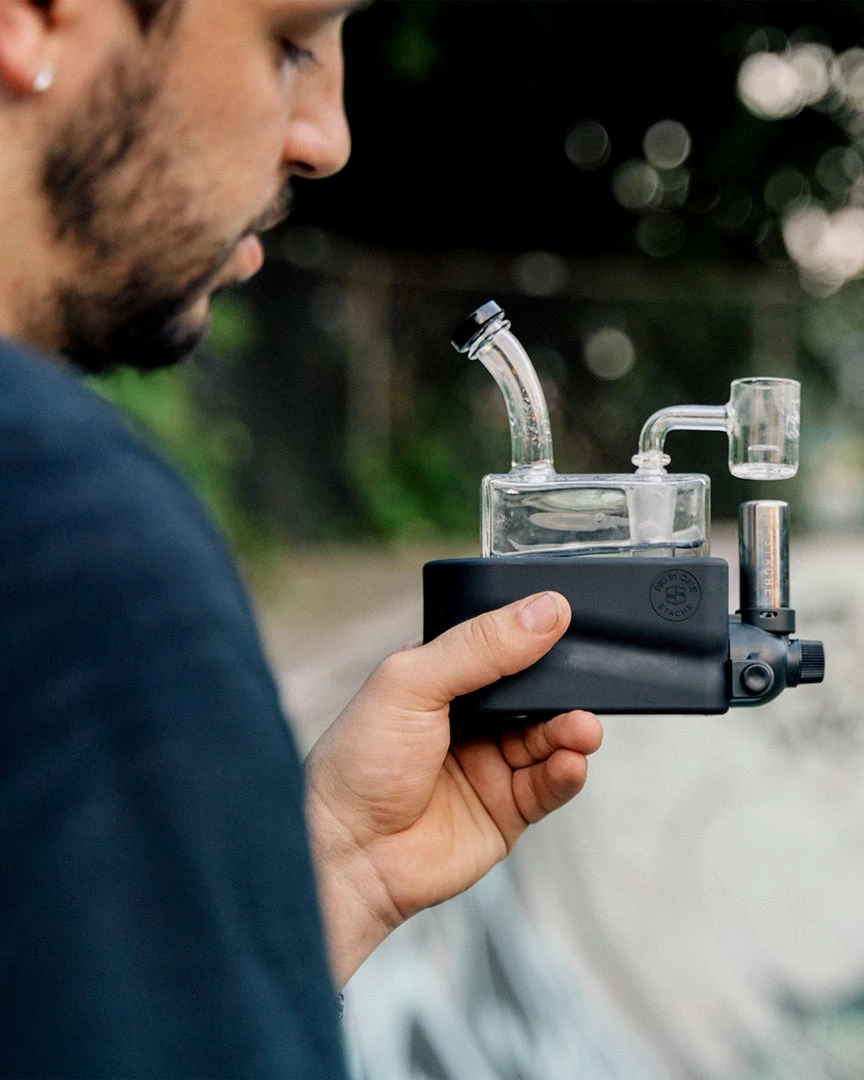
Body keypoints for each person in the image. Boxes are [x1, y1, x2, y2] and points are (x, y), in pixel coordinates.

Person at [0, 1, 603, 1075]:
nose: (328, 139)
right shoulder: (74, 548)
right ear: (31, 20)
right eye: (287, 45)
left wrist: (323, 883)